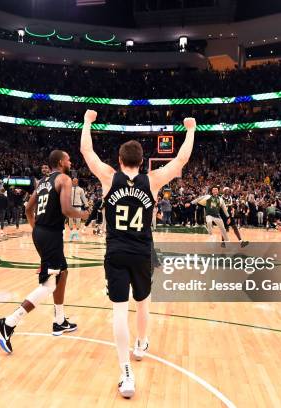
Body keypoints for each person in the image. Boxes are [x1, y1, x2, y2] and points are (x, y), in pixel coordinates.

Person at [80, 109, 196, 398]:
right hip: (143, 252)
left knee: (119, 310)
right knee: (143, 303)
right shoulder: (152, 180)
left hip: (115, 251)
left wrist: (87, 122)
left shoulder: (109, 177)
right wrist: (191, 130)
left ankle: (125, 373)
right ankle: (141, 343)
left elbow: (86, 150)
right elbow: (181, 160)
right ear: (142, 162)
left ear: (119, 161)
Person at [0, 150, 89, 353]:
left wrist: (37, 229)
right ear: (62, 162)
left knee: (63, 272)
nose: (71, 162)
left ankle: (59, 320)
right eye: (69, 159)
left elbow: (28, 209)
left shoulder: (43, 182)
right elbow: (66, 210)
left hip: (40, 233)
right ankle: (8, 323)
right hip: (51, 235)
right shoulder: (64, 178)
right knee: (48, 285)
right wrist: (85, 214)